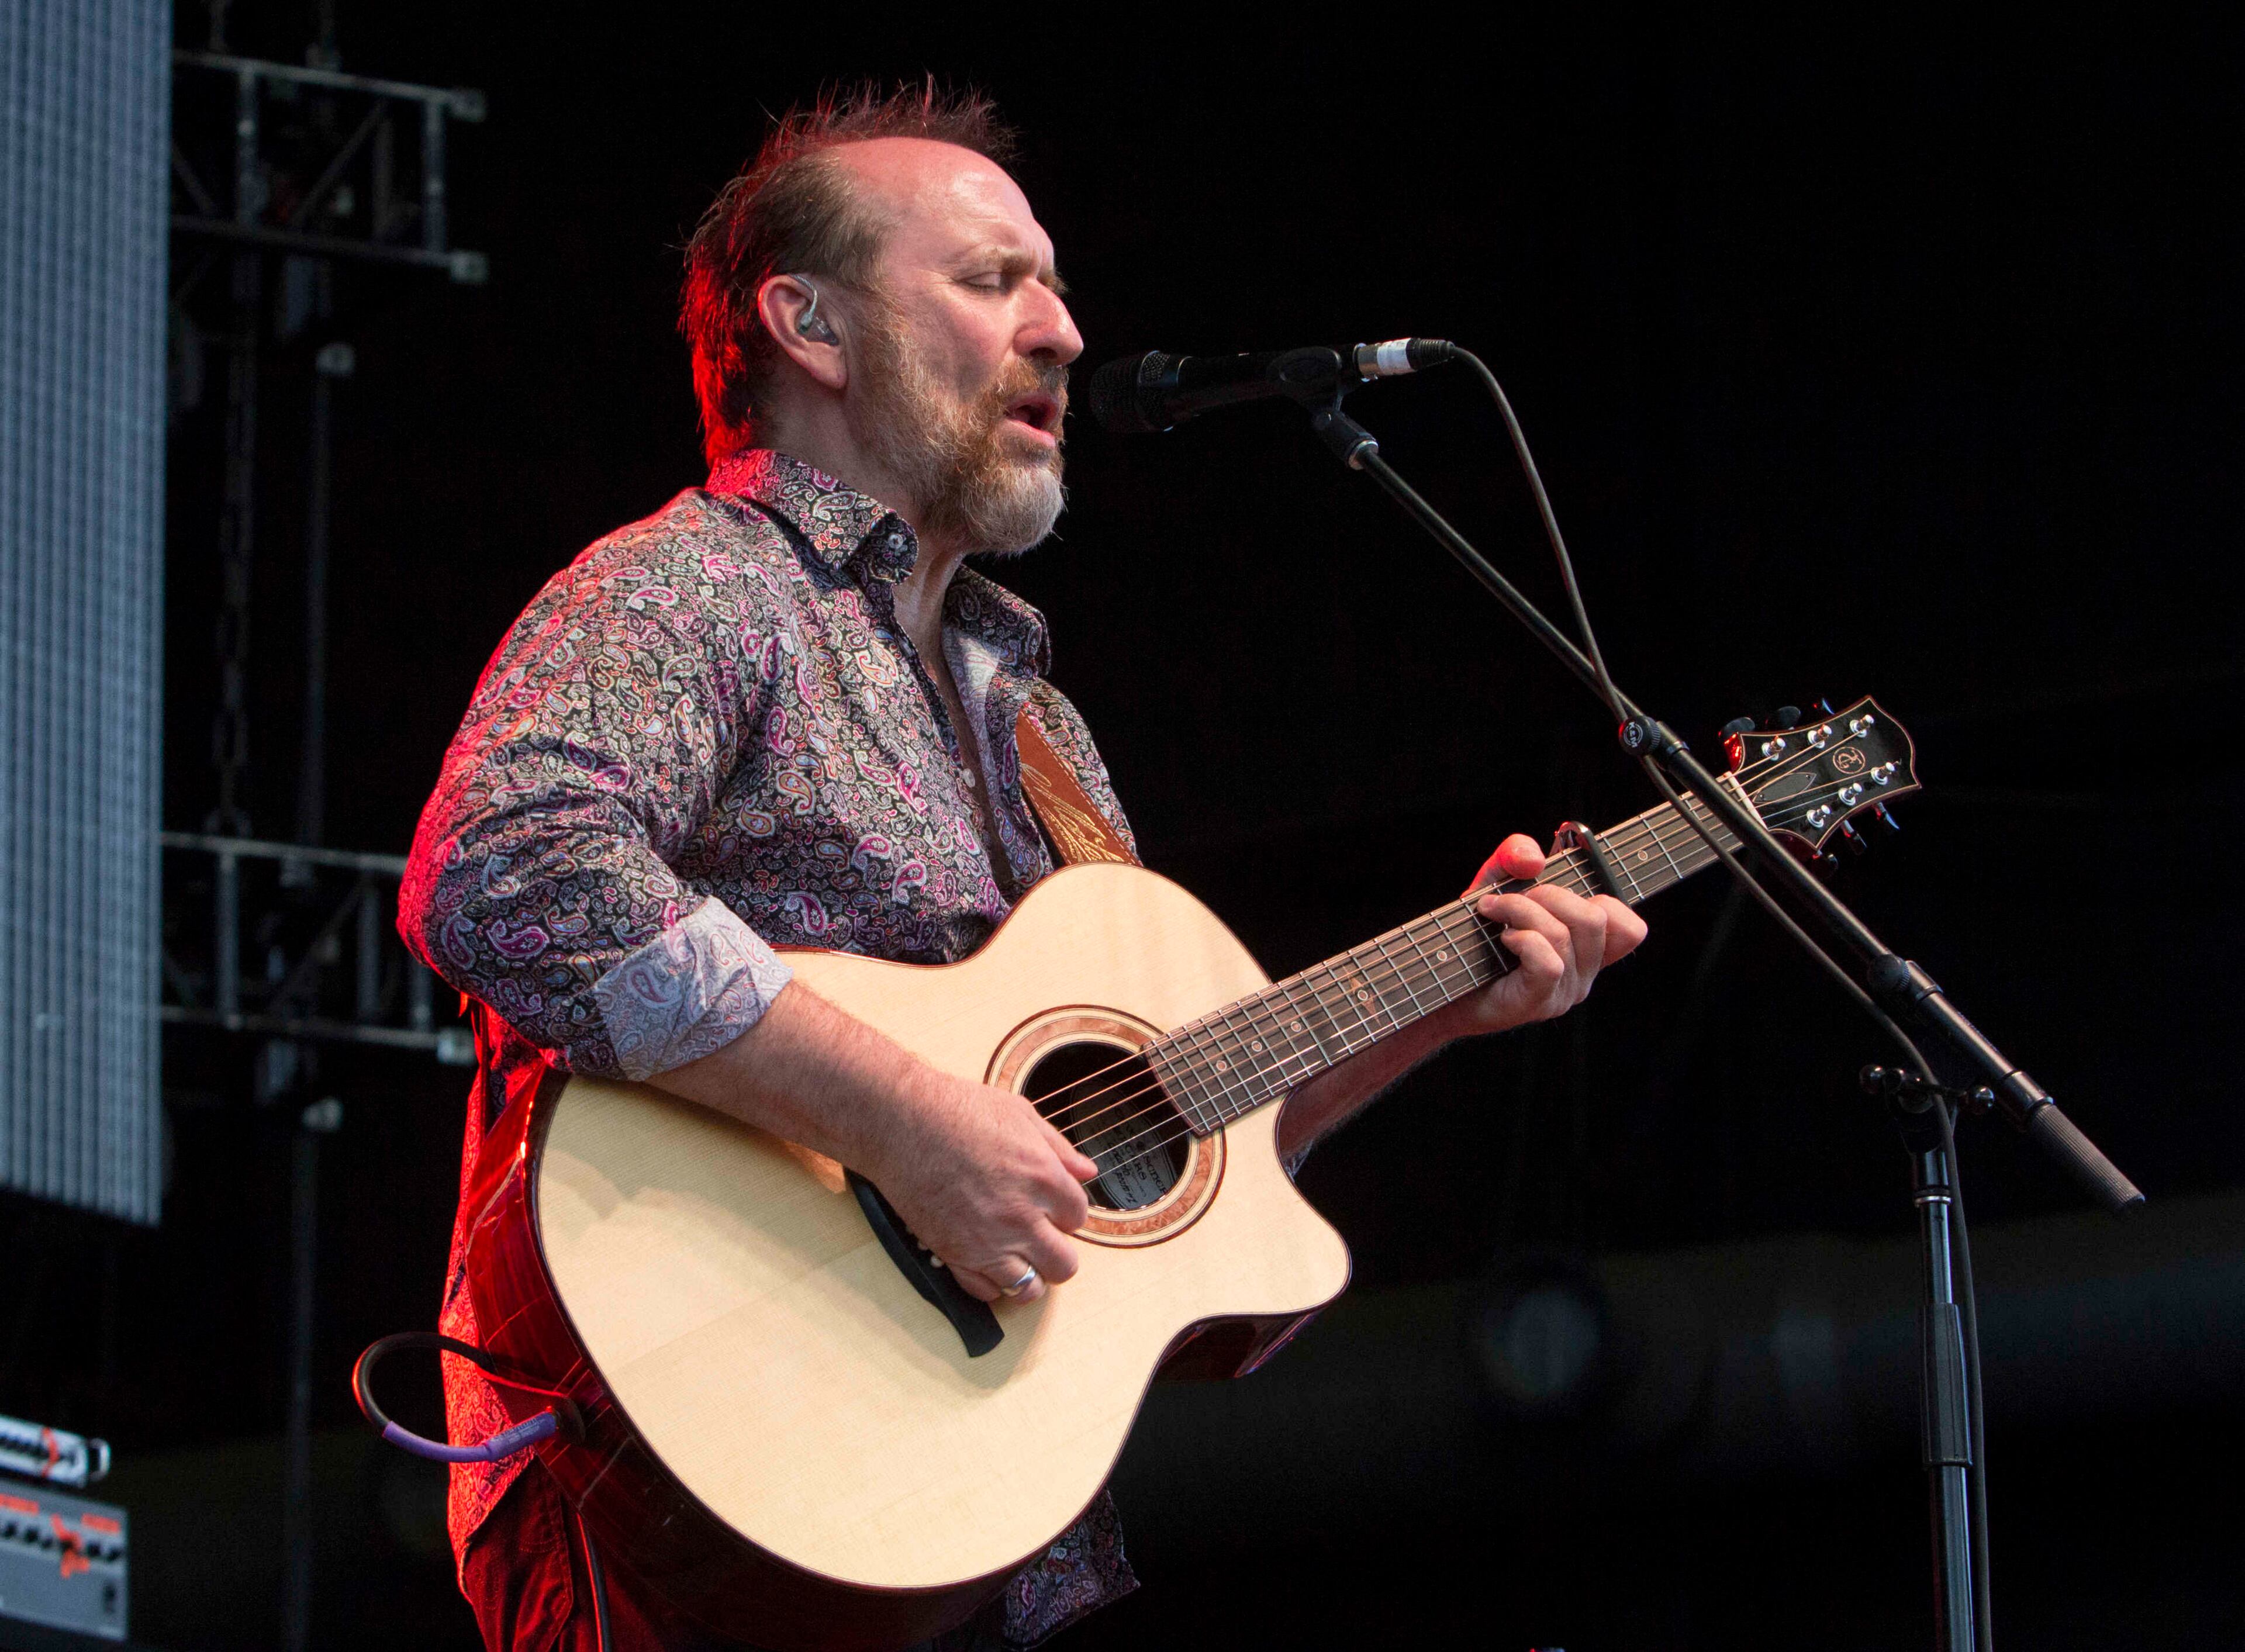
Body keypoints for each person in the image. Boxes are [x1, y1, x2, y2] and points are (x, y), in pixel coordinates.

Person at [398, 83, 1647, 1652]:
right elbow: (508, 872)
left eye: (1054, 284)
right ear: (812, 325)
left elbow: (1146, 1167)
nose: (1060, 330)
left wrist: (1444, 998)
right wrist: (912, 1122)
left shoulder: (1037, 721)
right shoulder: (689, 590)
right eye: (995, 281)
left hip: (995, 1537)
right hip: (684, 1496)